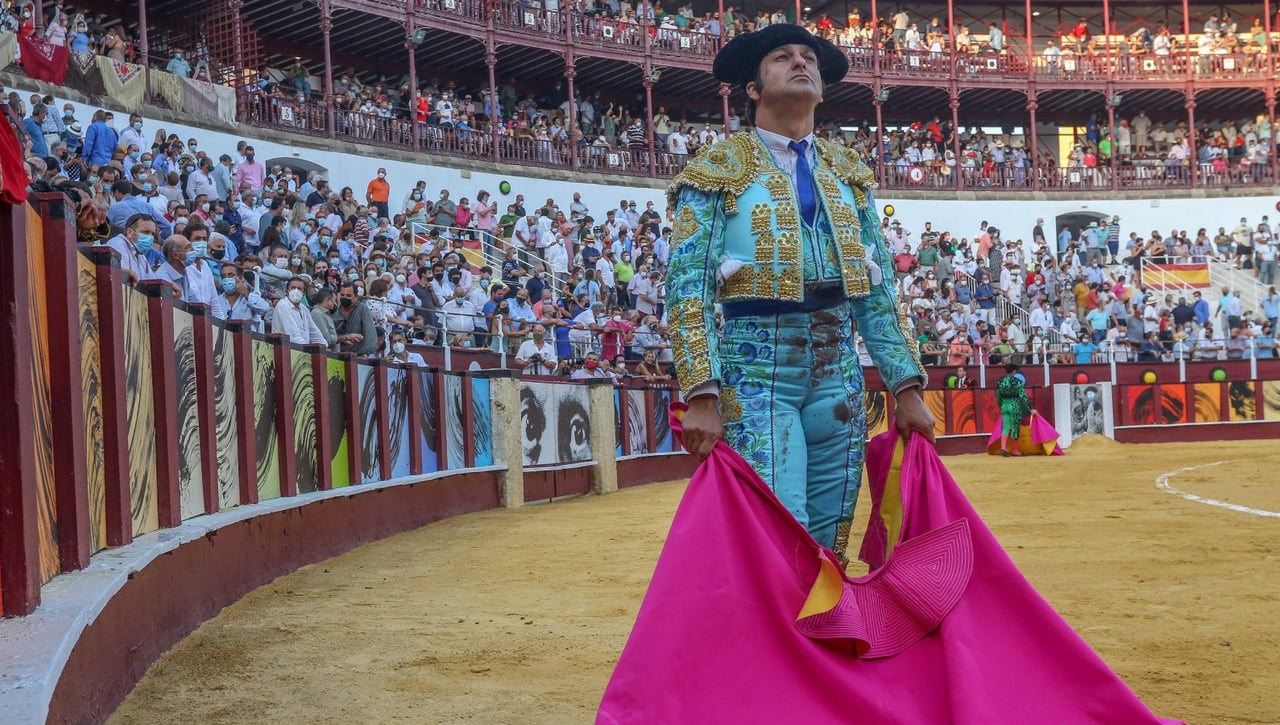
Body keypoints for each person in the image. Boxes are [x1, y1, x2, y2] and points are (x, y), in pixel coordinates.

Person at [670, 25, 933, 562]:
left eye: (808, 56)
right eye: (782, 57)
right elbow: (687, 290)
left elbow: (877, 291)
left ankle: (820, 641)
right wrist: (701, 394)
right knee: (781, 529)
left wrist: (906, 388)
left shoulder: (848, 175)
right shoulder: (716, 172)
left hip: (838, 369)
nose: (800, 63)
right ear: (752, 88)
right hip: (755, 366)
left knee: (829, 534)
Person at [995, 363, 1031, 457]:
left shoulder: (1001, 381)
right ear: (1014, 371)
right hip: (1014, 404)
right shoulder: (1016, 382)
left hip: (1004, 405)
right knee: (1015, 427)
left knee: (1006, 427)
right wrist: (1030, 408)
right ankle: (1015, 450)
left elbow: (998, 396)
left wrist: (1000, 406)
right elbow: (1023, 396)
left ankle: (1003, 448)